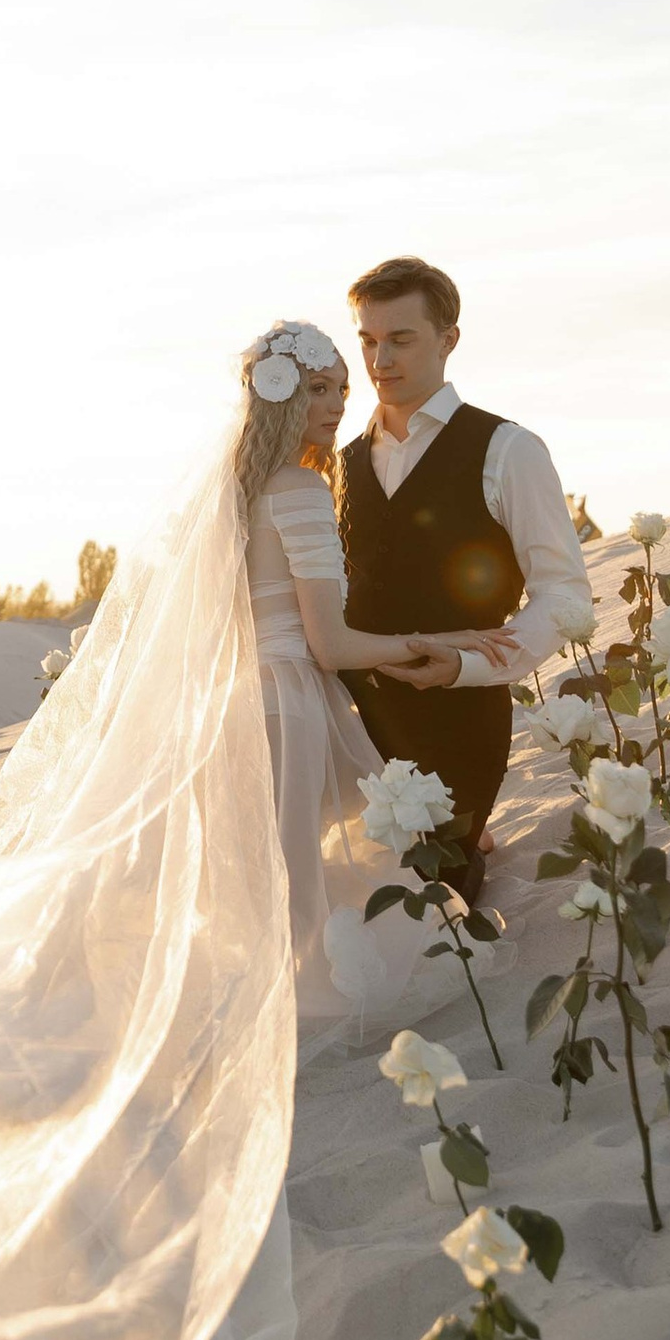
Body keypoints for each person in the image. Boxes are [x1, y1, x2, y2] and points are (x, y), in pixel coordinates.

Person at [334, 255, 592, 901]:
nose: (379, 359)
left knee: (432, 906)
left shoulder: (509, 450)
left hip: (458, 729)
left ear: (448, 339)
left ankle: (468, 840)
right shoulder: (337, 466)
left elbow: (563, 595)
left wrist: (466, 665)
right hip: (348, 729)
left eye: (400, 339)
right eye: (367, 340)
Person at [234, 318, 467, 1011]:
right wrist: (433, 647)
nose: (338, 403)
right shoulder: (299, 489)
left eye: (341, 387)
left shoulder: (237, 492)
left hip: (239, 700)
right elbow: (330, 646)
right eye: (316, 389)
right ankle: (295, 1013)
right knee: (304, 881)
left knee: (268, 877)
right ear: (279, 397)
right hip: (290, 699)